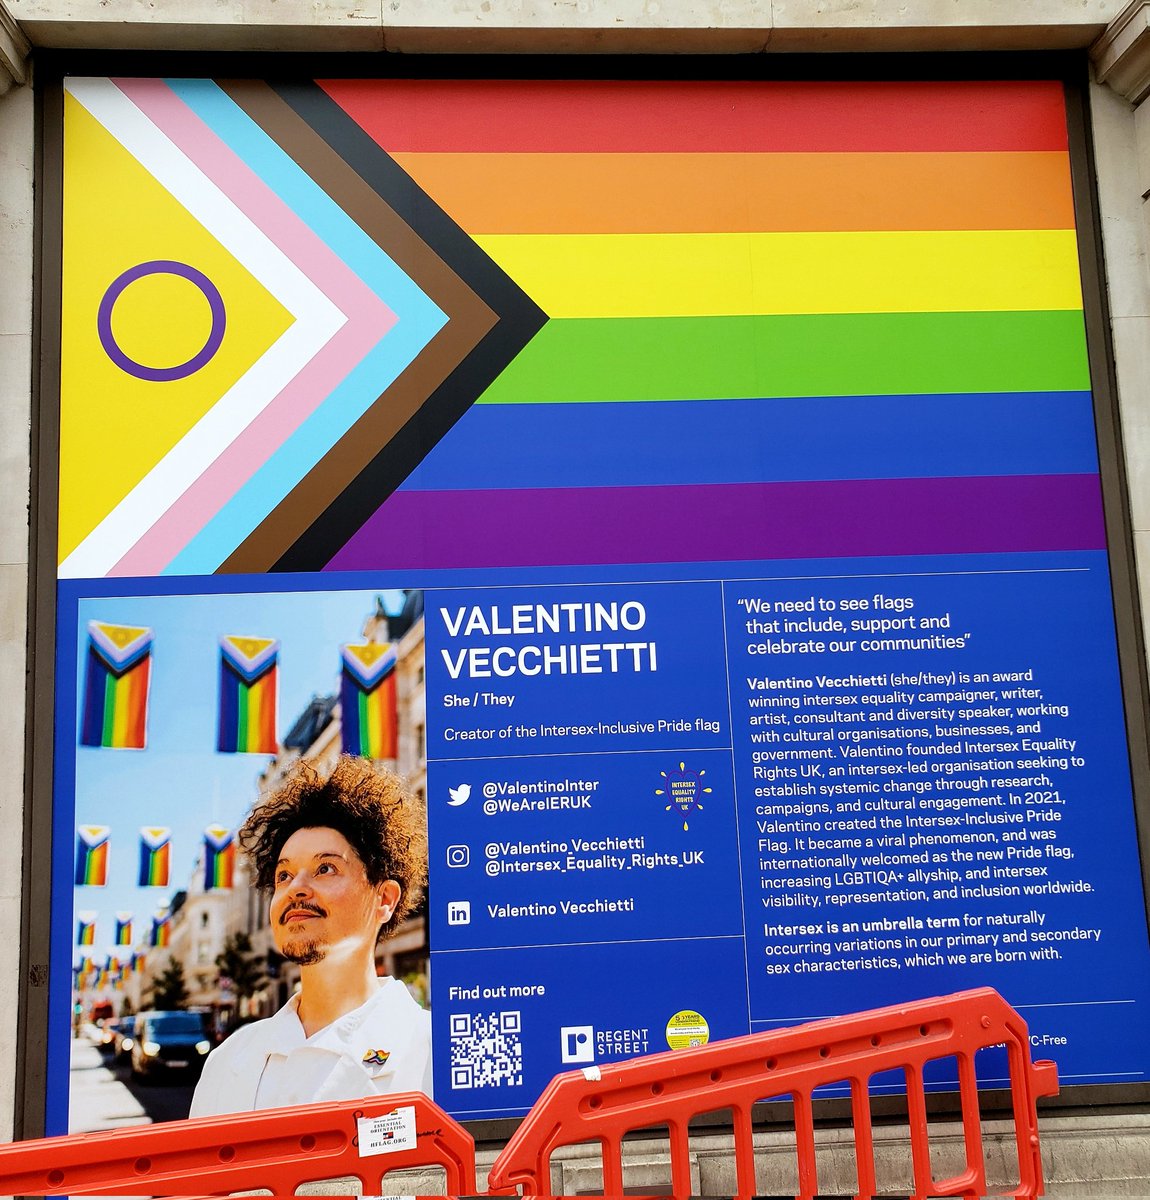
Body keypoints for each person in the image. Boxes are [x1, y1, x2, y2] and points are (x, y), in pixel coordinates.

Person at [190, 756, 430, 1116]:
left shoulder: (434, 1054)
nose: (295, 889)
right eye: (283, 876)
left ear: (384, 900)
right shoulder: (226, 1063)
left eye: (325, 868)